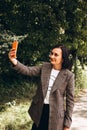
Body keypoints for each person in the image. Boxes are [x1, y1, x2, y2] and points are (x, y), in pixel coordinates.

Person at [8, 44, 75, 130]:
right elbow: (28, 70)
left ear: (63, 59)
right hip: (39, 111)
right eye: (51, 53)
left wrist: (67, 124)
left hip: (56, 116)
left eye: (56, 55)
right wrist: (14, 61)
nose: (51, 56)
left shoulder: (69, 76)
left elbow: (70, 101)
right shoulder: (44, 67)